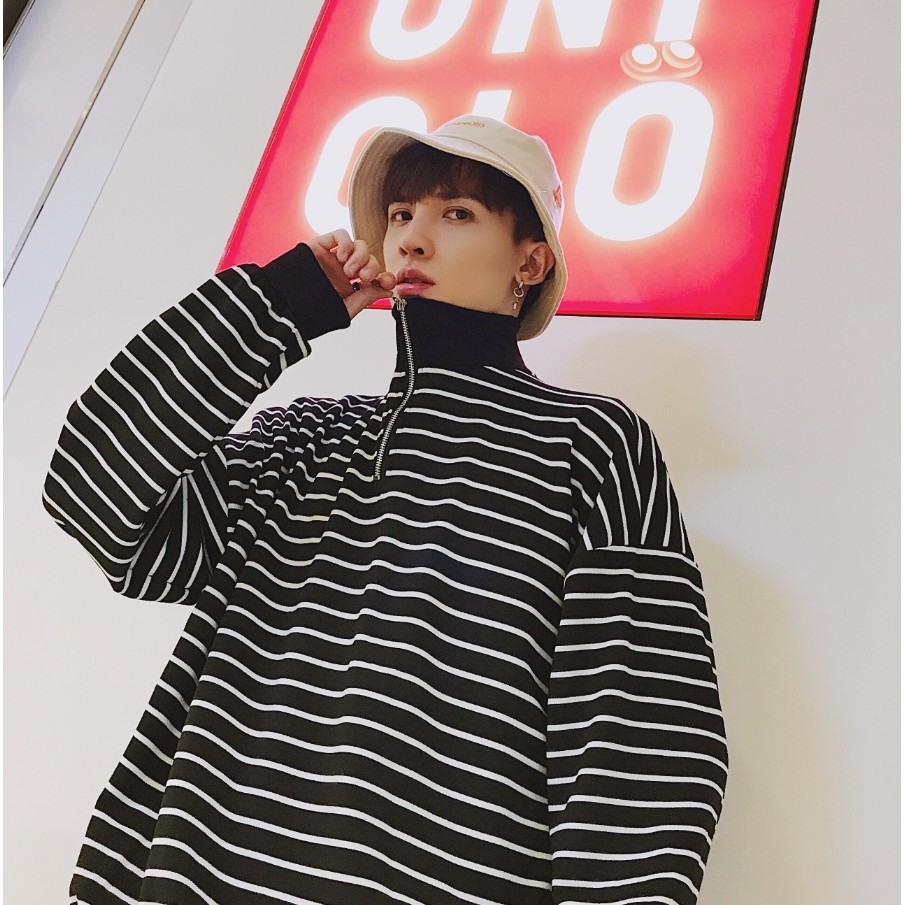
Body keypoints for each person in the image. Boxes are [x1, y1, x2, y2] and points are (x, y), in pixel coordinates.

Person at [44, 115, 728, 905]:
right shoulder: (306, 437)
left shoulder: (587, 443)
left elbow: (634, 726)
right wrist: (281, 303)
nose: (410, 239)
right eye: (400, 214)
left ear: (531, 259)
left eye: (456, 213)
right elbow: (96, 495)